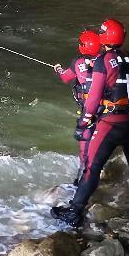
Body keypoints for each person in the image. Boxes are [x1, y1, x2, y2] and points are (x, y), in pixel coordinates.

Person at [51, 18, 129, 229]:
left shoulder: (104, 60)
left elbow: (94, 97)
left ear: (102, 37)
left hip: (112, 123)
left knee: (92, 167)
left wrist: (84, 121)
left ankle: (74, 211)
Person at [53, 30, 101, 184]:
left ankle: (82, 181)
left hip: (88, 111)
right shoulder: (106, 61)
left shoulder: (78, 63)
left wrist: (58, 69)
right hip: (106, 110)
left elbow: (65, 77)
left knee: (85, 147)